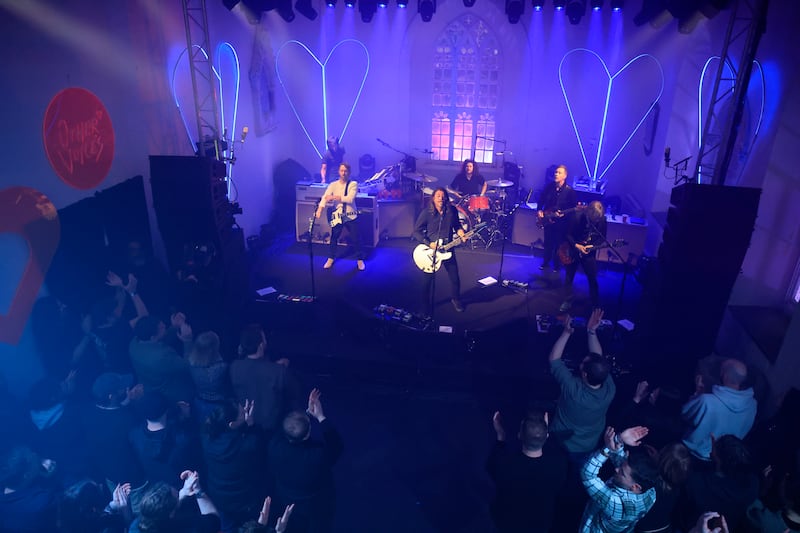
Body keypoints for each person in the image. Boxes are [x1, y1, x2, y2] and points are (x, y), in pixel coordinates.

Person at [269, 389, 343, 533]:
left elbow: (286, 428)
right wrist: (320, 416)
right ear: (308, 433)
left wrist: (307, 415)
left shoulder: (274, 446)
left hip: (285, 498)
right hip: (313, 505)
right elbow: (337, 446)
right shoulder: (317, 455)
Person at [548, 310, 616, 464]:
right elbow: (598, 358)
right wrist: (592, 331)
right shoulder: (609, 389)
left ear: (584, 374)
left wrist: (566, 332)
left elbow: (554, 359)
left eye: (582, 364)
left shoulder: (574, 390)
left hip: (562, 441)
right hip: (588, 444)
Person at [486, 410, 568, 533]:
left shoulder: (504, 463)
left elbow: (491, 467)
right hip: (540, 524)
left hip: (507, 523)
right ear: (546, 436)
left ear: (519, 435)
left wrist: (500, 436)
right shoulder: (559, 464)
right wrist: (543, 430)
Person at [580, 426, 659, 533]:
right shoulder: (651, 492)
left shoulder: (617, 503)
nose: (616, 469)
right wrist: (619, 441)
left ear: (635, 487)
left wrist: (606, 449)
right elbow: (622, 464)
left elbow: (587, 475)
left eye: (622, 473)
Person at [681, 358, 757, 462]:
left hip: (693, 455)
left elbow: (685, 414)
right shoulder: (752, 405)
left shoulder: (707, 401)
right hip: (725, 461)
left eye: (721, 369)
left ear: (724, 375)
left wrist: (697, 394)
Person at [412, 187, 467, 315]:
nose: (441, 198)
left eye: (443, 196)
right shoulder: (427, 212)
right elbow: (416, 231)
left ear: (446, 198)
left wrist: (461, 234)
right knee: (427, 281)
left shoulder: (452, 211)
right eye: (438, 196)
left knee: (455, 277)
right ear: (433, 198)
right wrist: (428, 243)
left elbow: (457, 226)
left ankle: (456, 299)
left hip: (448, 248)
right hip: (431, 252)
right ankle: (425, 305)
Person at [315, 162, 365, 271]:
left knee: (356, 238)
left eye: (346, 171)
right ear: (339, 171)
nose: (343, 173)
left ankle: (360, 259)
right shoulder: (333, 185)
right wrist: (320, 209)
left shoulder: (353, 184)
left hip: (350, 215)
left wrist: (333, 197)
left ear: (349, 172)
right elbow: (325, 197)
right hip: (337, 216)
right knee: (334, 238)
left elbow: (350, 199)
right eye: (342, 171)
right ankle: (331, 258)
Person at [561, 200, 607, 312]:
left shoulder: (602, 220)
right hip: (574, 249)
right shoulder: (577, 217)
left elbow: (602, 238)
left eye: (597, 220)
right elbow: (567, 234)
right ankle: (567, 300)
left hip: (589, 252)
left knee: (592, 278)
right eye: (593, 219)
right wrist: (577, 246)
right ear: (588, 213)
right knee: (569, 277)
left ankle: (595, 304)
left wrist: (592, 245)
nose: (595, 222)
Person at [537, 164, 577, 273]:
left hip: (561, 223)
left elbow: (573, 208)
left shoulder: (570, 191)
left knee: (558, 244)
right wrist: (540, 210)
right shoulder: (549, 187)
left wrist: (564, 215)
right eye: (555, 172)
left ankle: (556, 265)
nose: (556, 174)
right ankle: (545, 262)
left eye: (559, 172)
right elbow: (541, 200)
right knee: (548, 243)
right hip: (548, 219)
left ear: (565, 176)